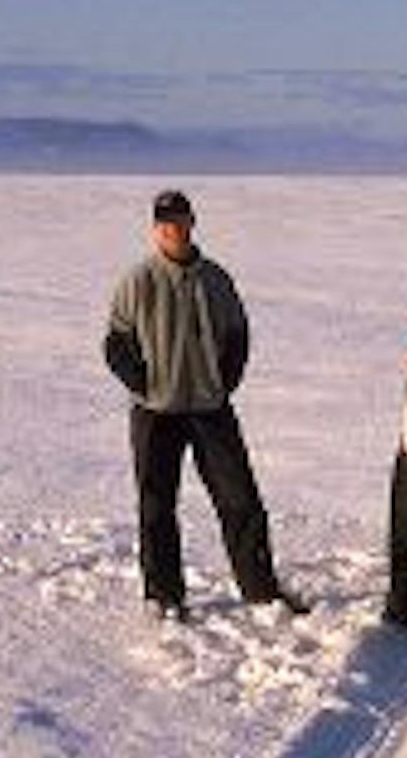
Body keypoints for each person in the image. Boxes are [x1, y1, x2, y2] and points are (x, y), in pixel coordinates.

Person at [102, 189, 304, 615]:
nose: (172, 229)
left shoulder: (215, 279)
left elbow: (238, 335)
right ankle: (164, 596)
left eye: (179, 220)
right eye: (164, 222)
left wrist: (225, 381)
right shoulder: (138, 281)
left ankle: (261, 590)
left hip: (210, 408)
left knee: (241, 501)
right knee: (157, 505)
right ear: (155, 229)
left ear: (192, 222)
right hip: (156, 412)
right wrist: (141, 383)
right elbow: (115, 342)